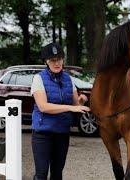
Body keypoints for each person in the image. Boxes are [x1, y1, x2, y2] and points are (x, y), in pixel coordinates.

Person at [31, 42, 90, 180]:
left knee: (57, 174)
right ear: (46, 62)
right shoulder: (38, 78)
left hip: (62, 133)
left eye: (59, 59)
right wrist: (71, 107)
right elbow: (43, 107)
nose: (57, 63)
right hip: (42, 134)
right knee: (41, 174)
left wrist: (82, 100)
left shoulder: (69, 79)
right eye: (53, 60)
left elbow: (76, 104)